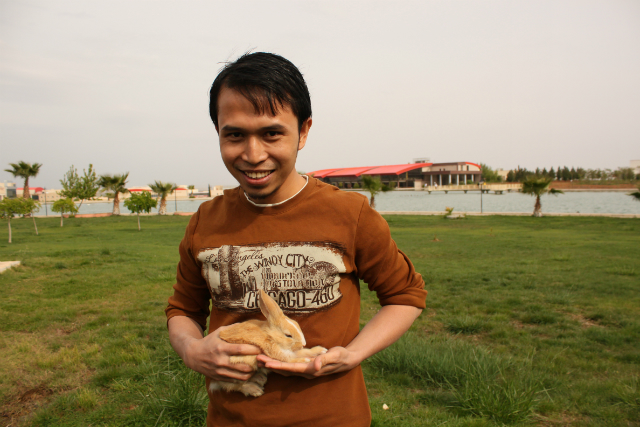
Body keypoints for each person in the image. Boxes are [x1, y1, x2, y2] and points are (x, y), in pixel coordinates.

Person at [166, 52, 427, 427]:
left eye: (272, 133)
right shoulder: (206, 220)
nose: (253, 155)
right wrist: (192, 350)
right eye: (235, 135)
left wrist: (354, 354)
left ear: (303, 131)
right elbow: (183, 311)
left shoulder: (350, 215)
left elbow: (405, 296)